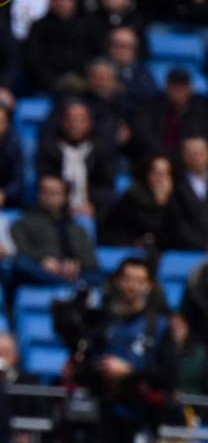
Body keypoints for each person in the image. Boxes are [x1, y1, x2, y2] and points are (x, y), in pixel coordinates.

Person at [91, 258, 179, 442]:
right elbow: (90, 360)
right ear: (118, 281)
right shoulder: (103, 323)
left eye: (140, 281)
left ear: (148, 286)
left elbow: (169, 374)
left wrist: (131, 372)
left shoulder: (159, 327)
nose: (133, 286)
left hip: (144, 417)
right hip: (105, 416)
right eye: (128, 279)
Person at [11, 175, 98, 285]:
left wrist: (77, 265)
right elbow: (20, 251)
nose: (49, 197)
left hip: (74, 273)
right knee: (21, 265)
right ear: (38, 194)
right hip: (41, 271)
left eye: (54, 193)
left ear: (65, 197)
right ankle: (69, 284)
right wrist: (43, 260)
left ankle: (69, 284)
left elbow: (91, 261)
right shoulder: (23, 223)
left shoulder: (77, 227)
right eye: (45, 192)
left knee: (96, 276)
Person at [36, 100, 117, 216]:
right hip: (55, 212)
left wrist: (93, 206)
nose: (75, 125)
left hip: (95, 212)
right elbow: (46, 179)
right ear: (63, 122)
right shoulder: (49, 148)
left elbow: (106, 185)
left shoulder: (102, 149)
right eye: (71, 120)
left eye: (81, 120)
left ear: (89, 123)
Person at [24, 0, 102, 92]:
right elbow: (35, 60)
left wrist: (87, 80)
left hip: (86, 84)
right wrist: (53, 82)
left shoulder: (89, 25)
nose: (61, 3)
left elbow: (98, 54)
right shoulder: (38, 27)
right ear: (50, 2)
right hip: (49, 85)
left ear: (74, 1)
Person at [130, 67, 208, 161]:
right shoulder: (152, 105)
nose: (178, 89)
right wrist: (164, 154)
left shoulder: (202, 106)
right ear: (167, 86)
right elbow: (142, 133)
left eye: (182, 85)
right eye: (174, 85)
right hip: (157, 158)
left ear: (190, 88)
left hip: (190, 159)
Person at [100, 154, 174, 247]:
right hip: (124, 244)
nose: (160, 179)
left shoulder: (179, 197)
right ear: (147, 174)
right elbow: (149, 226)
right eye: (156, 173)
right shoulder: (133, 195)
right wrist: (160, 203)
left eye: (165, 174)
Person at [163, 136, 208, 250]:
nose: (196, 157)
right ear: (183, 155)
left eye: (199, 153)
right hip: (186, 248)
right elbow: (176, 222)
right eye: (191, 153)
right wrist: (202, 245)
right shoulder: (174, 182)